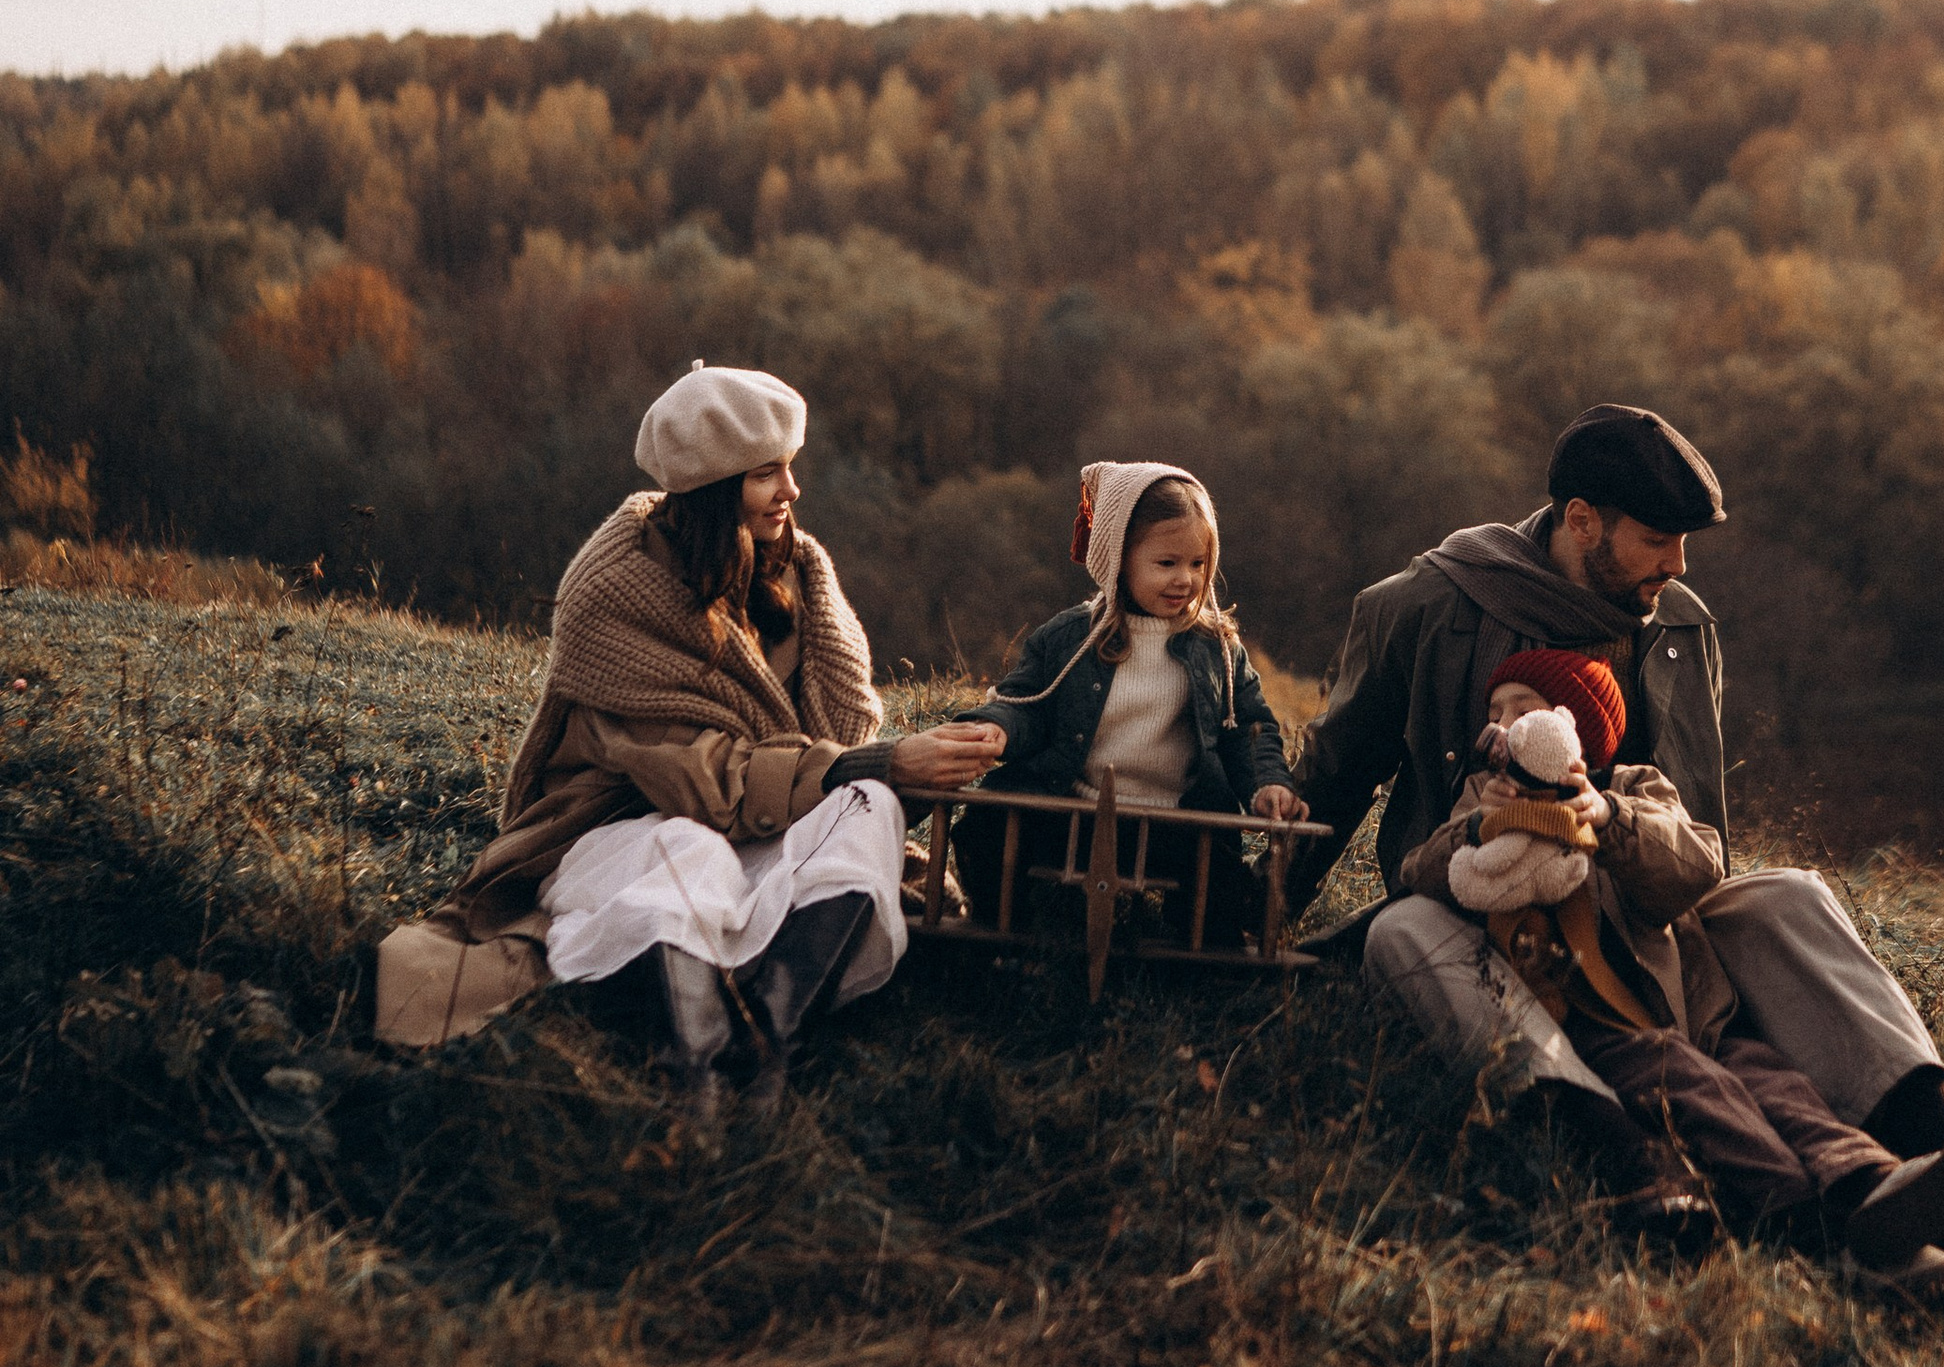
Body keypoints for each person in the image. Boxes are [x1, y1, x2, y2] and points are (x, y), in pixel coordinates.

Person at [1292, 400, 1944, 1250]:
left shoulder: (1678, 625)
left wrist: (1620, 839)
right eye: (1659, 539)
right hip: (1485, 912)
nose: (1677, 565)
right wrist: (1246, 916)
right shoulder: (1429, 604)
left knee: (1789, 895)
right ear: (1582, 521)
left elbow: (1699, 839)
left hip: (1644, 905)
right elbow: (1335, 775)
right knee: (1402, 927)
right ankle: (1617, 1145)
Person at [373, 361, 1004, 1101]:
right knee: (692, 849)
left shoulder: (798, 572)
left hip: (763, 824)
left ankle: (765, 1046)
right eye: (767, 474)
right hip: (628, 833)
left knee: (872, 807)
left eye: (790, 469)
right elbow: (697, 779)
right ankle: (692, 1076)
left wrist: (878, 771)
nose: (792, 492)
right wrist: (880, 760)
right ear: (713, 486)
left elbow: (842, 730)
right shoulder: (616, 597)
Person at [1403, 649, 1944, 1274]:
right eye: (1495, 713)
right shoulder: (1480, 801)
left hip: (1698, 1020)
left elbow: (1696, 865)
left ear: (1573, 732)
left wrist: (1607, 816)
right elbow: (1424, 872)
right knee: (1712, 1106)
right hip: (1606, 1032)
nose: (1505, 727)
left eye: (1525, 711)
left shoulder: (1633, 788)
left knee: (1783, 1092)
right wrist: (1488, 823)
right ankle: (1817, 1228)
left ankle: (1877, 1185)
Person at [955, 459, 1305, 939]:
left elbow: (1248, 727)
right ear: (1118, 560)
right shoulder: (1071, 638)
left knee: (1221, 888)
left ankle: (1200, 959)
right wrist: (996, 727)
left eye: (1198, 563)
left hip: (1175, 822)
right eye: (1167, 563)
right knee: (987, 828)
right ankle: (1004, 936)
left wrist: (1266, 781)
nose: (1185, 579)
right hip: (1072, 810)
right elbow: (1027, 702)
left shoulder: (1217, 648)